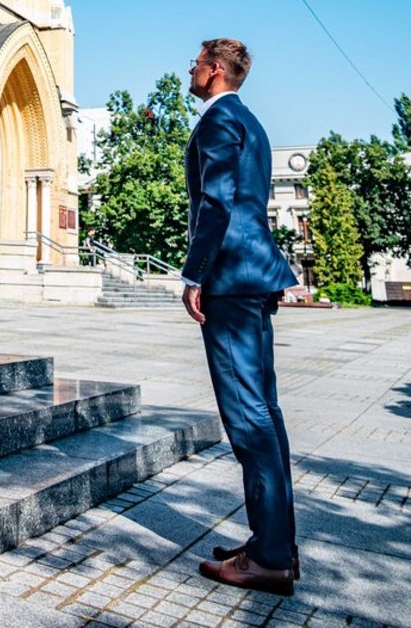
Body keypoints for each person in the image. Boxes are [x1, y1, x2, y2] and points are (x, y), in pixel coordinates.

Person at [181, 38, 298, 596]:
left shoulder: (218, 119)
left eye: (196, 62)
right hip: (255, 277)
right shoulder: (251, 121)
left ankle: (270, 557)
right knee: (265, 414)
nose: (190, 68)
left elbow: (219, 200)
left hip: (230, 279)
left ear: (216, 71)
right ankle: (273, 543)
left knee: (249, 418)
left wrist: (193, 273)